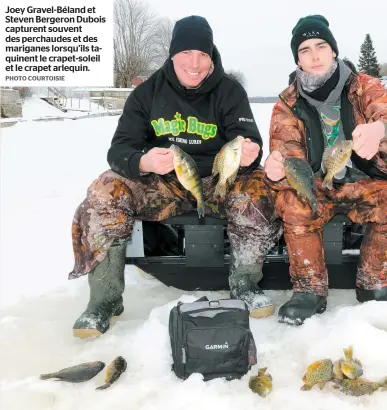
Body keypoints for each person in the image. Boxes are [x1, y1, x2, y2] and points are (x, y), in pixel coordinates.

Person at [69, 15, 281, 338]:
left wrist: (250, 155)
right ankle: (105, 300)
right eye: (186, 54)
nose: (194, 64)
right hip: (163, 182)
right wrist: (144, 161)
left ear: (212, 56)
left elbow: (248, 140)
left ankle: (245, 284)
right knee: (104, 190)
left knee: (260, 188)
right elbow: (118, 150)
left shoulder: (230, 91)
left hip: (215, 181)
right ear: (172, 53)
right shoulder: (147, 93)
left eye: (203, 55)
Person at [264, 15, 387, 326]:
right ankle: (310, 290)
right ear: (298, 58)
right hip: (317, 184)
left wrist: (381, 128)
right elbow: (287, 150)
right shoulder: (287, 103)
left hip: (365, 180)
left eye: (321, 46)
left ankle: (375, 284)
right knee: (292, 203)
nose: (315, 55)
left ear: (333, 50)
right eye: (305, 50)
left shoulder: (363, 86)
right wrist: (277, 167)